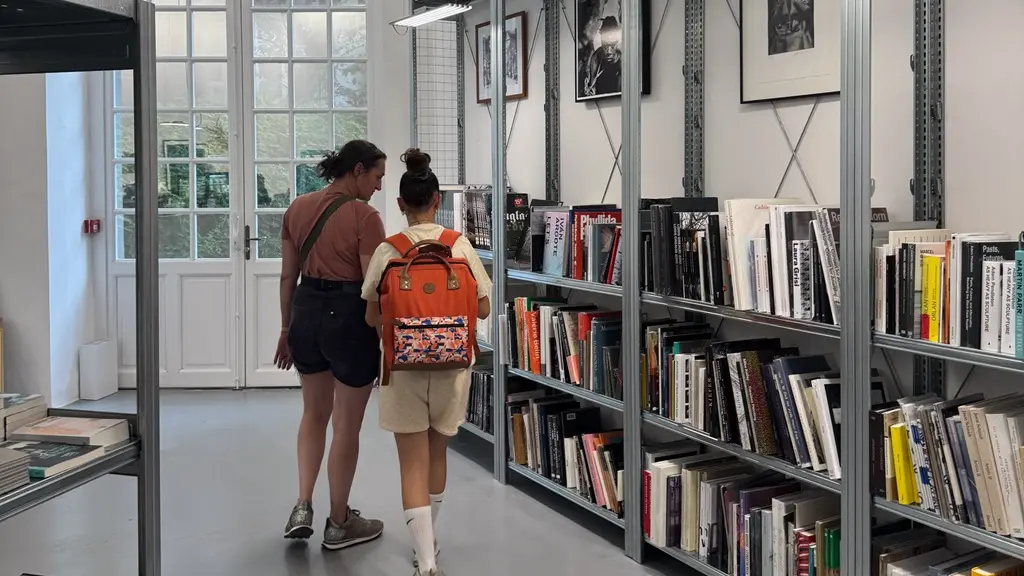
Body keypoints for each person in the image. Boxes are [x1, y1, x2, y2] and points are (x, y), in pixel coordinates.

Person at [361, 148, 492, 576]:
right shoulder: (460, 245)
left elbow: (371, 316)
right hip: (454, 365)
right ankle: (428, 544)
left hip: (402, 367)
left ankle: (427, 559)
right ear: (437, 200)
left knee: (410, 461)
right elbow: (485, 308)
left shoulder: (388, 250)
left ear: (401, 204)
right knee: (438, 454)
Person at [274, 139, 387, 550]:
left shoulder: (297, 208)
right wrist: (386, 345)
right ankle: (339, 521)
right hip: (348, 316)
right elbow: (373, 290)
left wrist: (286, 330)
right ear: (357, 170)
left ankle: (302, 505)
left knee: (313, 414)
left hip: (305, 311)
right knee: (346, 425)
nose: (377, 186)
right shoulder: (365, 216)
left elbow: (287, 276)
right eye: (376, 176)